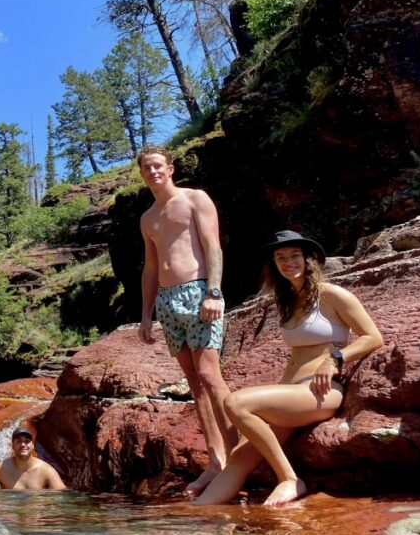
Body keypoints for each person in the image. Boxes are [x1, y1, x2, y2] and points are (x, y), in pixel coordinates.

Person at [195, 230, 384, 507]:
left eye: (295, 255)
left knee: (235, 402)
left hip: (320, 391)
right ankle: (198, 518)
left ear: (309, 260)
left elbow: (373, 337)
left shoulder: (332, 295)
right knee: (239, 458)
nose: (288, 262)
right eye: (280, 258)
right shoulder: (288, 301)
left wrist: (335, 359)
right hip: (292, 394)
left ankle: (289, 479)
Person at [136, 144, 234, 498]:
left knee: (210, 374)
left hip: (198, 293)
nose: (153, 172)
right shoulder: (148, 218)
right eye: (147, 168)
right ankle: (215, 462)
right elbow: (149, 268)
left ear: (171, 168)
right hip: (166, 301)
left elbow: (212, 246)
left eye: (158, 166)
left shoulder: (195, 199)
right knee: (194, 381)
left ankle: (239, 454)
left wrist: (215, 292)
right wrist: (146, 316)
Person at [0, 427, 67, 491]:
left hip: (35, 519)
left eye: (27, 441)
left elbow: (62, 495)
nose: (23, 445)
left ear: (32, 445)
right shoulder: (1, 469)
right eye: (19, 441)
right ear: (13, 445)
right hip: (10, 519)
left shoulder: (46, 470)